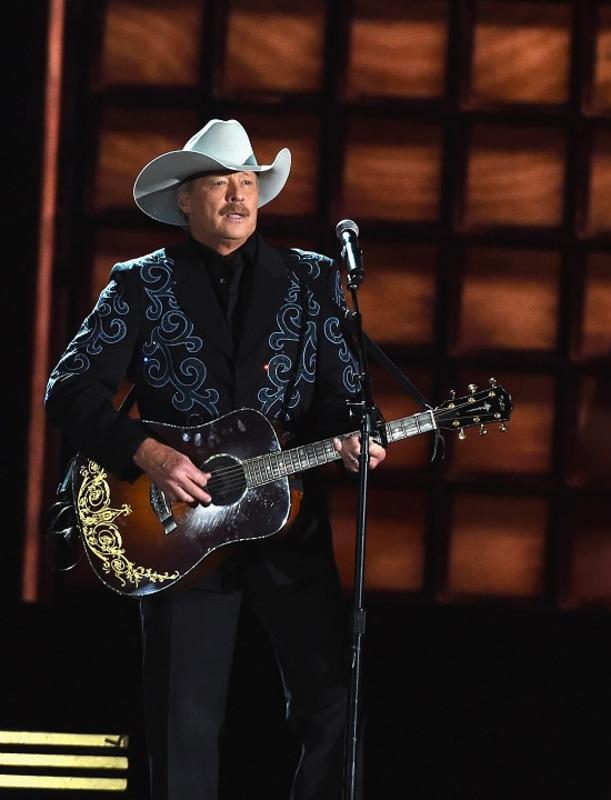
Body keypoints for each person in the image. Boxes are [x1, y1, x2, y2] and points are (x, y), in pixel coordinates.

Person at [44, 119, 385, 800]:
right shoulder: (142, 284)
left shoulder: (313, 280)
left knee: (333, 706)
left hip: (286, 526)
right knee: (183, 727)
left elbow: (346, 399)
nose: (239, 194)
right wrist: (148, 453)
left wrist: (357, 439)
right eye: (221, 183)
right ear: (185, 202)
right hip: (177, 530)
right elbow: (70, 389)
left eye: (248, 181)